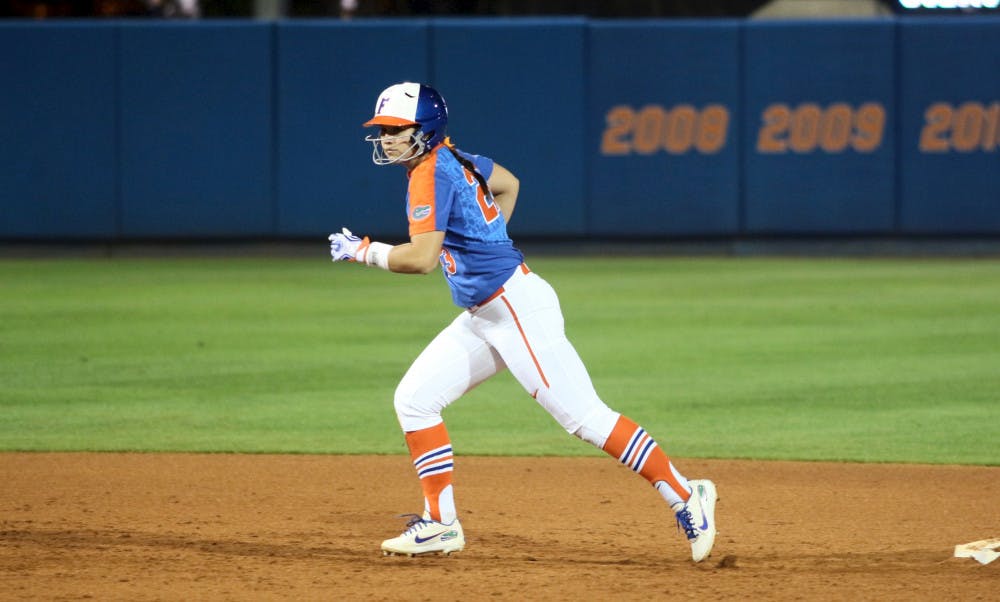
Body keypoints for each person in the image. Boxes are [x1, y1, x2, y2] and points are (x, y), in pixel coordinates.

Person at [328, 82, 718, 562]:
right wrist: (489, 238)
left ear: (424, 130)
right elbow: (509, 183)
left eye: (394, 129)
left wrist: (364, 252)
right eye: (381, 130)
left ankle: (686, 492)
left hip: (514, 307)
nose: (385, 139)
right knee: (415, 400)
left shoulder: (429, 173)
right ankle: (440, 524)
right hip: (487, 312)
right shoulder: (458, 158)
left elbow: (422, 259)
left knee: (585, 417)